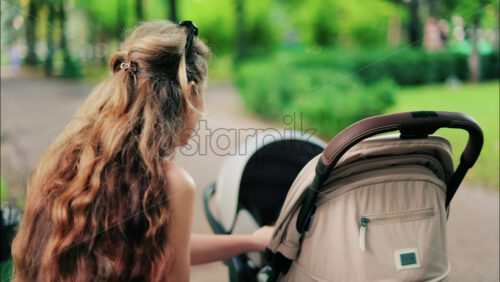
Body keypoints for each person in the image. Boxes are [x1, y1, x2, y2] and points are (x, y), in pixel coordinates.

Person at [11, 20, 273, 282]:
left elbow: (170, 245)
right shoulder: (170, 183)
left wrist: (250, 241)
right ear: (190, 94)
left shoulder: (66, 161)